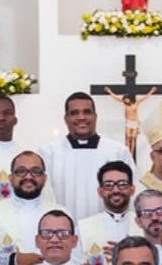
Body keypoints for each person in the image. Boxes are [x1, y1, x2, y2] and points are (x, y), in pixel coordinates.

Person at [43, 92, 138, 221]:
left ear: (95, 116)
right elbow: (44, 197)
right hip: (63, 234)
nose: (81, 117)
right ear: (66, 119)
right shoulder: (49, 153)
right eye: (74, 113)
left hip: (108, 232)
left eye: (87, 112)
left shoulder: (117, 151)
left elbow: (131, 195)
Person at [0, 151, 66, 265]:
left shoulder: (62, 214)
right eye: (20, 171)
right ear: (11, 178)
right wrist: (14, 261)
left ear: (44, 178)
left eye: (36, 171)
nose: (28, 176)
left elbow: (73, 257)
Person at [76, 160, 138, 265]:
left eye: (122, 184)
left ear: (132, 190)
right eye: (108, 185)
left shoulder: (145, 226)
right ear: (100, 191)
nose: (115, 190)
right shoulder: (82, 227)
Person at [106, 86, 160, 159]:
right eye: (124, 100)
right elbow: (116, 98)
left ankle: (131, 152)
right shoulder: (125, 104)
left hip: (135, 122)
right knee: (128, 137)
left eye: (126, 99)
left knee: (133, 138)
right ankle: (128, 151)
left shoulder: (136, 103)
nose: (126, 101)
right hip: (129, 122)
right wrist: (110, 92)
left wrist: (151, 91)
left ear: (129, 99)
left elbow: (144, 98)